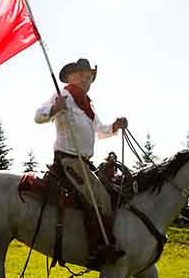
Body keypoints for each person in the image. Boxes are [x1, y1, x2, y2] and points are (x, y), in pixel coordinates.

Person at [35, 58, 128, 264]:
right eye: (84, 77)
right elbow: (38, 116)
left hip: (84, 162)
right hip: (67, 160)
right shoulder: (63, 96)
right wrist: (54, 109)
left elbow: (100, 130)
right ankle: (99, 248)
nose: (88, 81)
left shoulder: (88, 104)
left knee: (109, 191)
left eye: (90, 78)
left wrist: (115, 126)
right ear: (72, 77)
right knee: (100, 197)